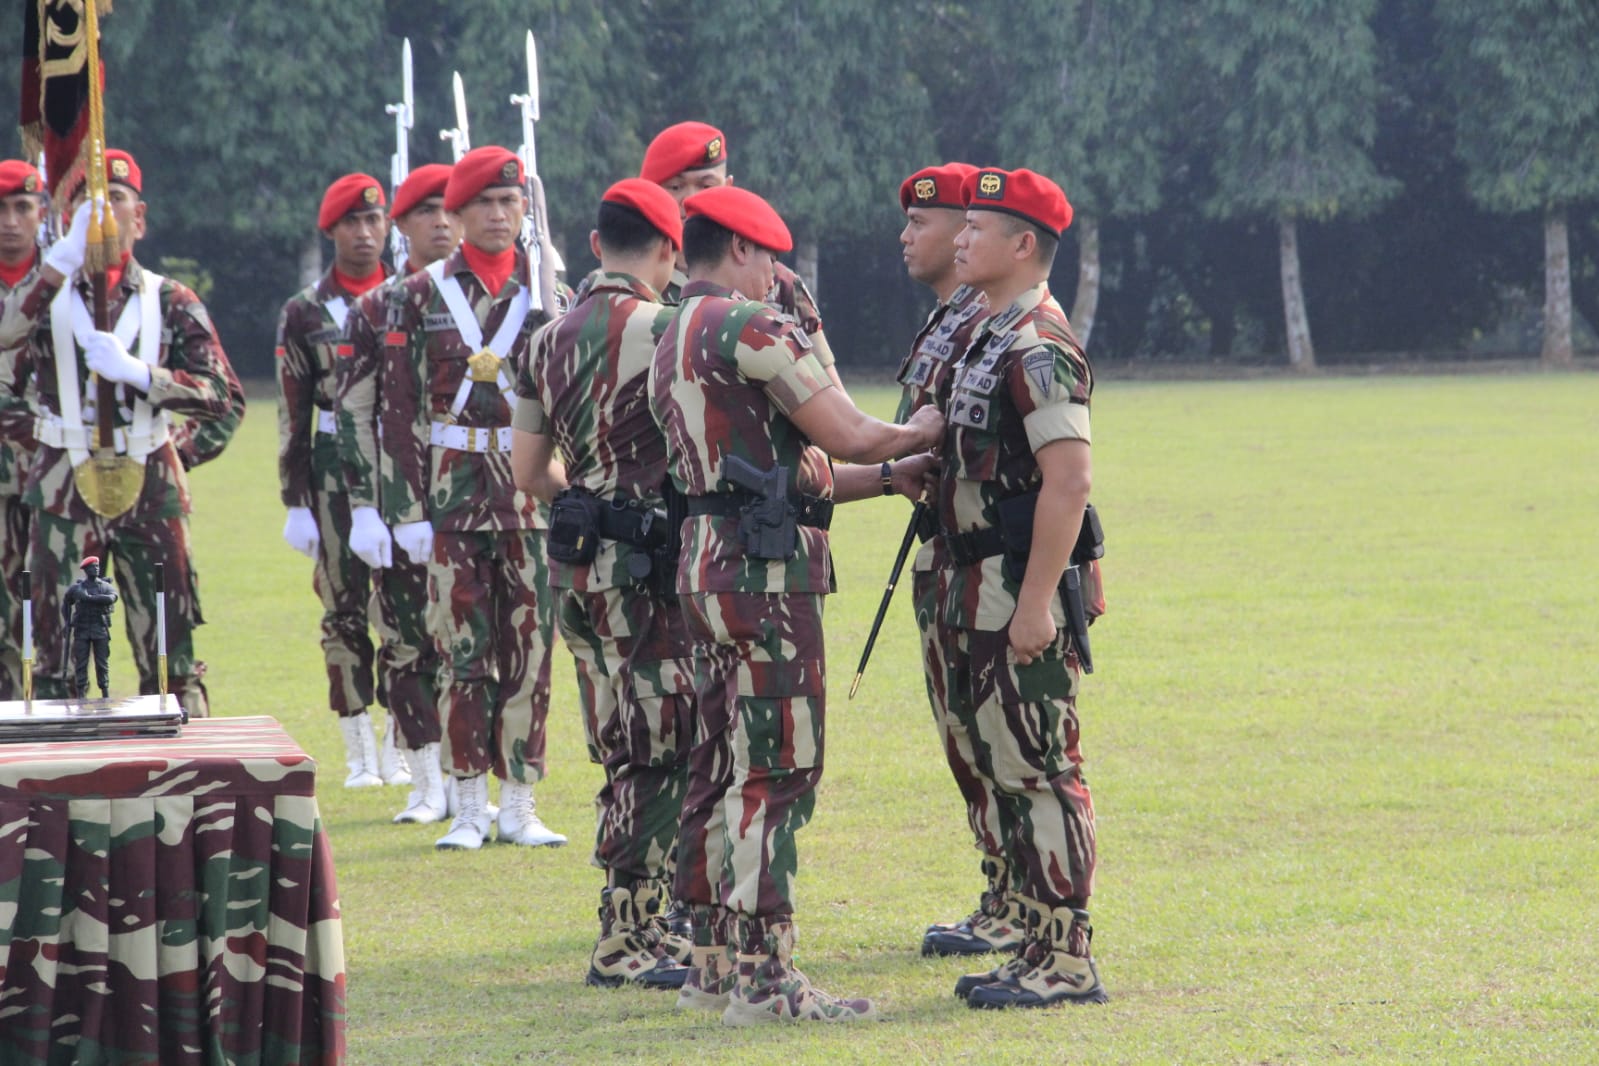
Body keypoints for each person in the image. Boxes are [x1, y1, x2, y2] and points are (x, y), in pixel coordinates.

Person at [649, 185, 944, 1024]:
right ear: (741, 248)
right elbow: (847, 431)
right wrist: (926, 427)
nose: (778, 275)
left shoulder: (670, 329)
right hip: (766, 581)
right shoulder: (751, 326)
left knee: (714, 768)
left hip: (706, 567)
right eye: (770, 257)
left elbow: (782, 467)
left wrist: (887, 478)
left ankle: (710, 966)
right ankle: (767, 978)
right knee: (776, 772)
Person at [914, 167, 1108, 1008]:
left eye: (978, 228)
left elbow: (1068, 484)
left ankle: (1065, 958)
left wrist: (1033, 607)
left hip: (1008, 586)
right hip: (969, 582)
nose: (960, 237)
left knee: (1039, 767)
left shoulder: (1036, 345)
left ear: (1022, 246)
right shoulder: (987, 333)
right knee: (998, 764)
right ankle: (1030, 939)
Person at [512, 178, 693, 988]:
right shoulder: (670, 330)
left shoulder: (543, 339)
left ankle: (635, 919)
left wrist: (586, 498)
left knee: (622, 746)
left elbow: (528, 471)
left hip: (577, 567)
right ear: (667, 250)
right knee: (659, 747)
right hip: (650, 571)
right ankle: (631, 933)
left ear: (594, 247)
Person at [375, 145, 564, 851]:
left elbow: (566, 407)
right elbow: (395, 413)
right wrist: (405, 514)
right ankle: (465, 804)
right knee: (462, 655)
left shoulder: (546, 294)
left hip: (527, 502)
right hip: (450, 502)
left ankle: (518, 804)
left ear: (524, 209)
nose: (496, 214)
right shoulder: (416, 296)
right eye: (481, 202)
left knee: (530, 653)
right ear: (454, 213)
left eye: (508, 202)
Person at [0, 148, 232, 717]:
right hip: (62, 490)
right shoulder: (40, 298)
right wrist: (57, 263)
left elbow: (219, 394)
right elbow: (5, 340)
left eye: (116, 202)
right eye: (85, 205)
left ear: (140, 218)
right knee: (56, 658)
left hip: (151, 485)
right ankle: (62, 790)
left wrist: (142, 376)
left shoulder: (171, 300)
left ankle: (185, 786)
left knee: (169, 656)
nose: (103, 216)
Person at [891, 163, 1026, 960]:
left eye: (925, 224)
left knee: (1000, 737)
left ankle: (1021, 899)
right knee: (963, 737)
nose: (911, 238)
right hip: (944, 556)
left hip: (987, 562)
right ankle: (1000, 887)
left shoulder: (992, 321)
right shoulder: (946, 320)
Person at [276, 173, 408, 788]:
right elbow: (293, 411)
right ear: (330, 231)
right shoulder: (304, 311)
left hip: (401, 464)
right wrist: (295, 499)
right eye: (351, 223)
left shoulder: (410, 295)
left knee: (407, 608)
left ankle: (404, 742)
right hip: (332, 470)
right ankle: (357, 743)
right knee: (344, 607)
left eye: (374, 220)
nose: (364, 232)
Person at [340, 162, 457, 823]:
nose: (443, 222)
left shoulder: (497, 298)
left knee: (479, 646)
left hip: (480, 498)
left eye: (452, 209)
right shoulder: (376, 308)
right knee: (408, 645)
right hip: (401, 499)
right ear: (401, 227)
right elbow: (354, 411)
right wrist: (363, 505)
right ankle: (424, 778)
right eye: (428, 211)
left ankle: (476, 781)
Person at [639, 122, 848, 395]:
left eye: (706, 185)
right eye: (676, 187)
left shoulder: (778, 284)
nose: (689, 201)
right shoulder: (636, 288)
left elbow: (832, 393)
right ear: (651, 195)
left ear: (728, 188)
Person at [0, 160, 44, 700]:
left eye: (22, 208)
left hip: (48, 478)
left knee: (53, 615)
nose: (10, 221)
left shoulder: (68, 286)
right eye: (1, 209)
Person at [62, 554, 116, 698]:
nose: (96, 569)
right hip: (82, 630)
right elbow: (66, 602)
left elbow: (111, 598)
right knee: (81, 663)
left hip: (100, 629)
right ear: (86, 570)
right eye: (93, 567)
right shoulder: (77, 588)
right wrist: (67, 622)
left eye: (97, 566)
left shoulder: (105, 586)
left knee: (102, 663)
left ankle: (105, 692)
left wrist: (89, 598)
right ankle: (80, 693)